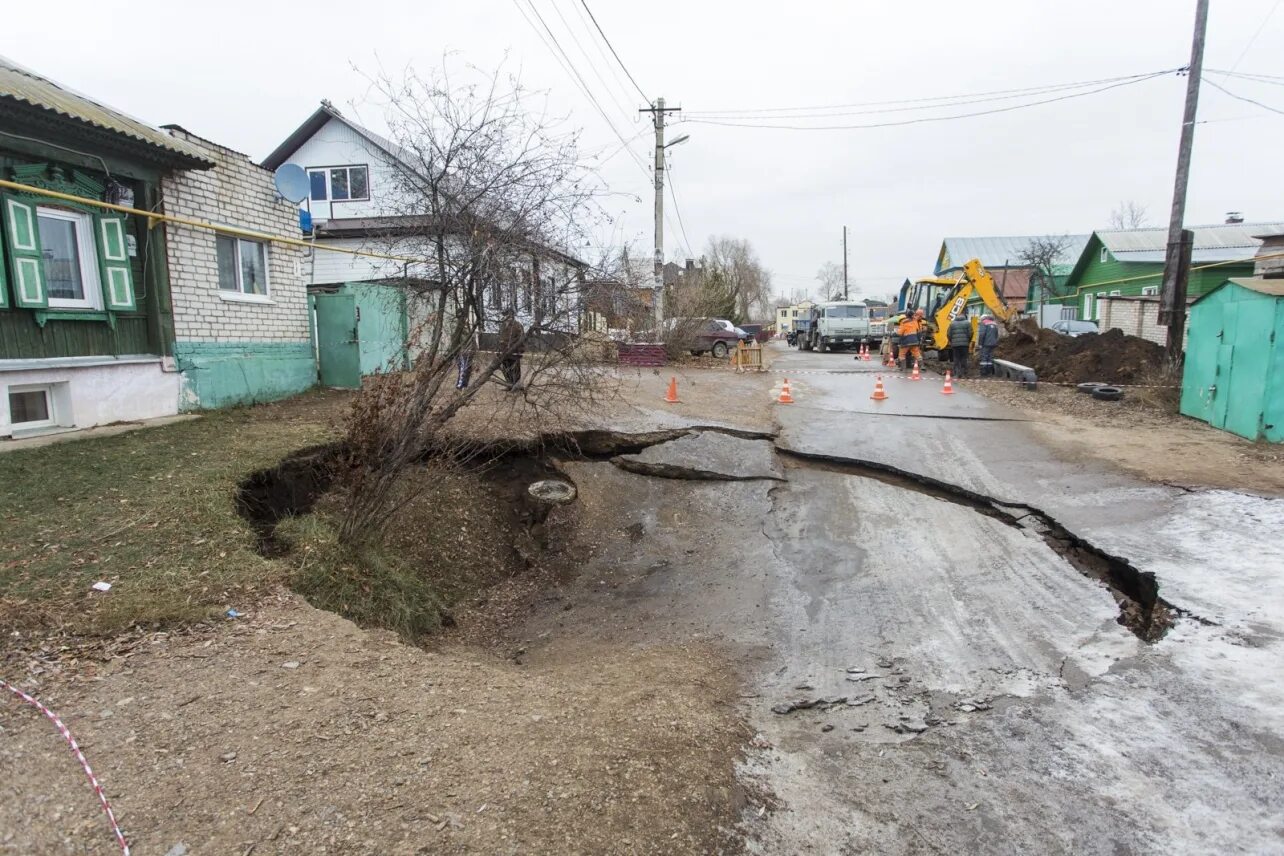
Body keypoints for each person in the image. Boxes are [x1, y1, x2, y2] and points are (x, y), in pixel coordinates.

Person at [498, 310, 525, 391]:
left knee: (515, 369)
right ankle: (509, 384)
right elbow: (499, 337)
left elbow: (521, 338)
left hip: (514, 351)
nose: (505, 317)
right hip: (503, 351)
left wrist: (519, 349)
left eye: (506, 315)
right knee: (506, 368)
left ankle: (516, 386)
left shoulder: (517, 325)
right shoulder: (502, 325)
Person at [947, 314, 972, 378]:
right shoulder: (967, 323)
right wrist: (968, 340)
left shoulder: (952, 324)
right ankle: (964, 374)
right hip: (965, 344)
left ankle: (956, 374)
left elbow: (949, 334)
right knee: (964, 358)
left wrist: (952, 341)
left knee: (956, 358)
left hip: (955, 345)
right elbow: (970, 333)